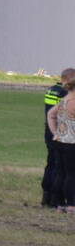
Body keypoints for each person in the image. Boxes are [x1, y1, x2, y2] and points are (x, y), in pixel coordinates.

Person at [41, 68, 73, 208]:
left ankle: (47, 196)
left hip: (50, 131)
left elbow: (50, 112)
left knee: (51, 164)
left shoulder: (52, 89)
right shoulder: (65, 93)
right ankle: (59, 199)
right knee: (64, 169)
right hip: (63, 134)